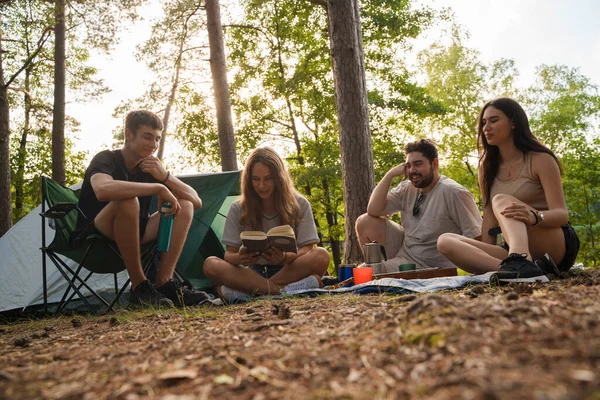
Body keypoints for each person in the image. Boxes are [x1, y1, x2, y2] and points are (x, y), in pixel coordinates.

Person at [437, 97, 580, 283]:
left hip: (553, 242)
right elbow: (489, 219)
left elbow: (562, 214)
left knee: (501, 200)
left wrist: (534, 216)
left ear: (513, 122)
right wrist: (481, 253)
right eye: (484, 123)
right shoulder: (487, 167)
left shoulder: (540, 159)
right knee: (445, 241)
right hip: (514, 248)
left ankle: (521, 262)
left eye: (494, 120)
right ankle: (516, 271)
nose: (486, 128)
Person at [74, 110, 207, 307]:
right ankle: (139, 286)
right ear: (129, 134)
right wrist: (158, 187)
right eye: (147, 137)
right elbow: (102, 190)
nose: (153, 145)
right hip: (97, 232)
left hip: (137, 231)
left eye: (157, 139)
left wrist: (165, 177)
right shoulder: (106, 159)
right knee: (128, 200)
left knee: (184, 205)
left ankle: (164, 283)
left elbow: (196, 201)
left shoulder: (149, 166)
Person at [203, 146, 330, 304]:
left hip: (290, 269)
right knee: (211, 264)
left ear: (279, 178)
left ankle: (251, 293)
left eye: (268, 178)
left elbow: (308, 248)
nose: (261, 185)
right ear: (249, 180)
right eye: (256, 179)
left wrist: (286, 257)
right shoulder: (238, 208)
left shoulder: (299, 204)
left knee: (321, 255)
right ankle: (285, 291)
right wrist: (241, 257)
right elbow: (229, 255)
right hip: (252, 274)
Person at [355, 139, 482, 271]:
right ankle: (383, 269)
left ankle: (383, 271)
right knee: (364, 221)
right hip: (406, 253)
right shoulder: (406, 188)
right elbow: (373, 210)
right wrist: (390, 175)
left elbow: (477, 236)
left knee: (366, 273)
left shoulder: (454, 193)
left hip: (433, 265)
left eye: (418, 164)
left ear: (435, 164)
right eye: (408, 166)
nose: (412, 170)